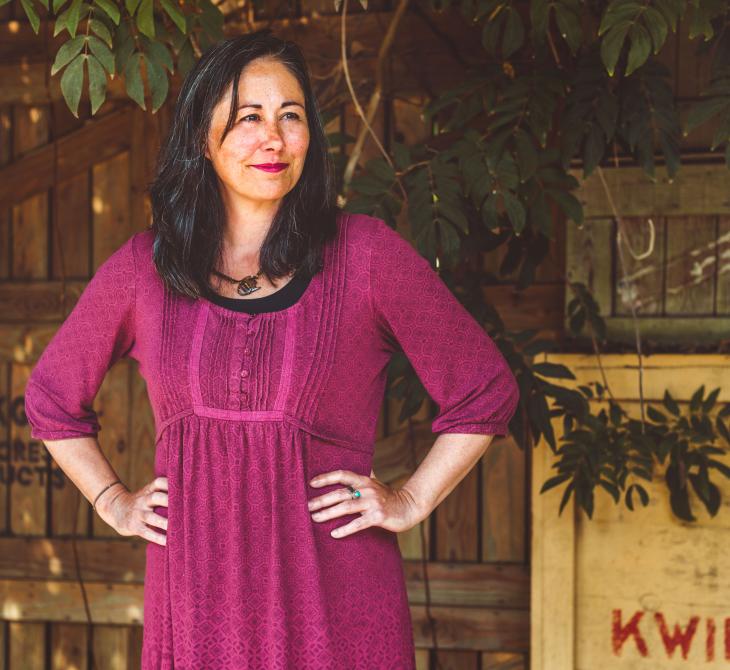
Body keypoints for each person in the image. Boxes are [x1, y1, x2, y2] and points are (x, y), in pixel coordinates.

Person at [24, 29, 520, 669]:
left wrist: (412, 498)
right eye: (248, 118)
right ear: (203, 138)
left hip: (337, 608)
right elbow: (51, 400)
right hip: (196, 607)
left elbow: (484, 388)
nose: (274, 138)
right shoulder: (145, 270)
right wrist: (112, 501)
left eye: (292, 116)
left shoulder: (366, 256)